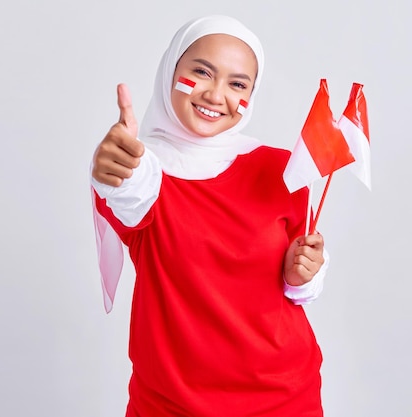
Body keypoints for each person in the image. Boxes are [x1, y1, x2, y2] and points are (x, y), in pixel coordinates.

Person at [91, 14, 330, 417]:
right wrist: (116, 170)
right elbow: (130, 201)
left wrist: (304, 273)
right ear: (170, 71)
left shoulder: (285, 172)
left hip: (284, 397)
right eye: (201, 72)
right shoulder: (140, 171)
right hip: (170, 404)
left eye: (238, 84)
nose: (216, 95)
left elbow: (298, 284)